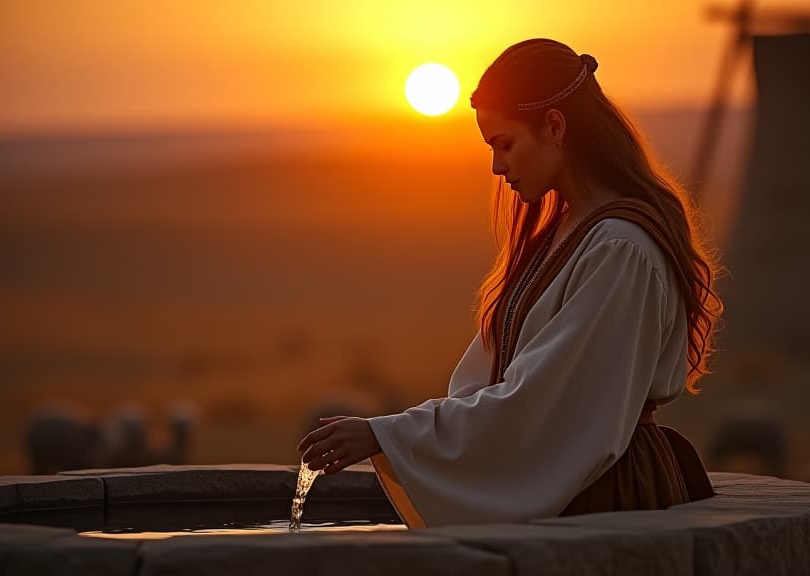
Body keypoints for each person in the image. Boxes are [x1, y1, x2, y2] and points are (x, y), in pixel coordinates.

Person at [298, 38, 723, 527]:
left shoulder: (620, 249)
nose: (498, 168)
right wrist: (401, 432)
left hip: (602, 492)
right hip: (575, 481)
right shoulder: (567, 234)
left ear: (555, 126)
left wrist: (388, 434)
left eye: (505, 144)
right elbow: (491, 386)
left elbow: (545, 403)